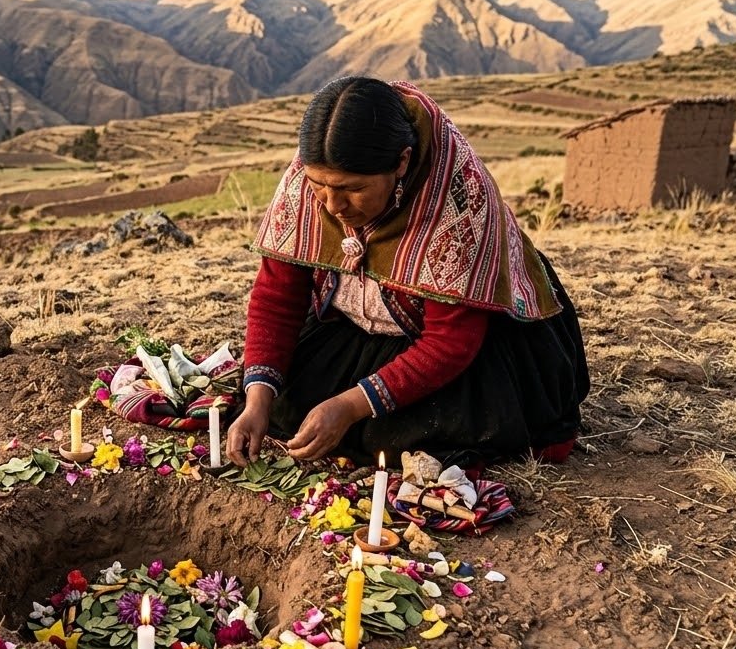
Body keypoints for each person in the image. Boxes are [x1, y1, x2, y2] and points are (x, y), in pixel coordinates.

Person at [226, 77, 589, 470]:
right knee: (281, 403)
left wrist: (350, 405)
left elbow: (449, 342)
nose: (333, 206)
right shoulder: (305, 188)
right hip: (353, 328)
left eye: (353, 188)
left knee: (424, 436)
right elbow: (278, 298)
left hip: (464, 341)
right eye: (320, 186)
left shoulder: (457, 201)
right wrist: (257, 400)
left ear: (401, 162)